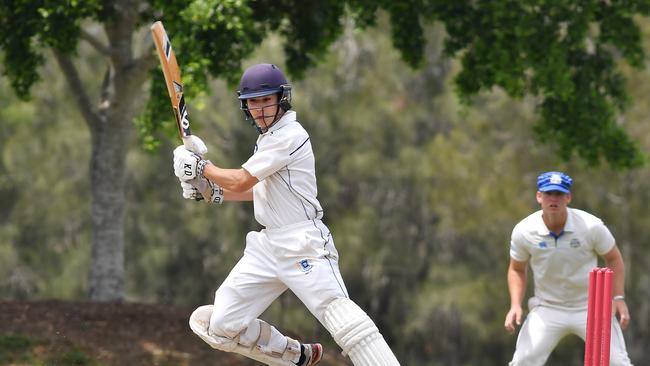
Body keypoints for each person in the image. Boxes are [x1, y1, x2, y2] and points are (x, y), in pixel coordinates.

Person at [172, 63, 400, 366]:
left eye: (266, 100)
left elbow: (241, 179)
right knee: (221, 326)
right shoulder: (267, 139)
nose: (260, 108)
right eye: (254, 102)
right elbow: (258, 188)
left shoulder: (289, 134)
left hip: (303, 242)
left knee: (344, 321)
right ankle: (296, 355)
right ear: (245, 106)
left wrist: (202, 168)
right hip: (267, 247)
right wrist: (210, 189)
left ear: (281, 98)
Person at [504, 171, 633, 365]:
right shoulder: (524, 230)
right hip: (547, 307)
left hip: (591, 308)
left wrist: (618, 298)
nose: (553, 199)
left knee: (617, 363)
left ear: (568, 197)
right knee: (523, 360)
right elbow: (517, 269)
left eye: (559, 194)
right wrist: (515, 304)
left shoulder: (591, 226)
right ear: (539, 196)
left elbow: (613, 258)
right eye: (548, 193)